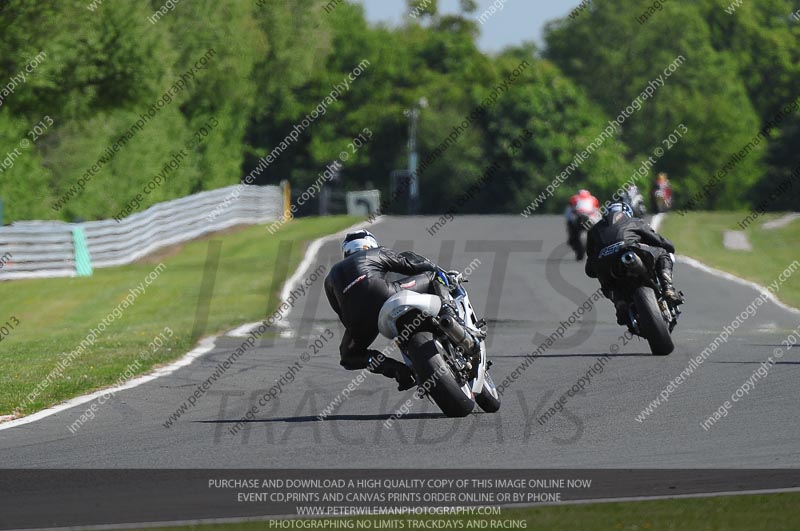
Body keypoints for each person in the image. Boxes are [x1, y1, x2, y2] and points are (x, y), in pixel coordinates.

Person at [324, 229, 451, 391]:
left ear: (346, 251)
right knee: (434, 276)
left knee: (349, 357)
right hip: (385, 294)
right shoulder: (376, 252)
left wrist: (360, 328)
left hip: (357, 319)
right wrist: (438, 270)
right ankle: (448, 315)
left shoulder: (330, 277)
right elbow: (410, 265)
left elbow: (340, 312)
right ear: (370, 244)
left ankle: (398, 371)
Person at [585, 203, 683, 324]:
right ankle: (668, 288)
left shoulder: (593, 231)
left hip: (605, 264)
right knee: (663, 252)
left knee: (604, 278)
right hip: (630, 250)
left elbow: (589, 269)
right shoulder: (634, 221)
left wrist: (599, 268)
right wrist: (669, 246)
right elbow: (659, 241)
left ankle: (619, 302)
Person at [565, 189, 601, 259]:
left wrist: (569, 220)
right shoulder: (593, 199)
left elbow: (568, 213)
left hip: (584, 219)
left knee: (571, 227)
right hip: (588, 219)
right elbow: (598, 212)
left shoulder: (574, 198)